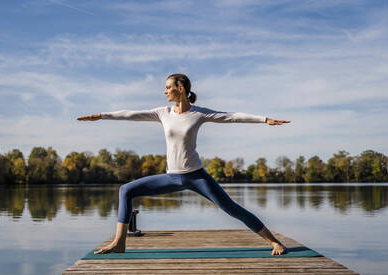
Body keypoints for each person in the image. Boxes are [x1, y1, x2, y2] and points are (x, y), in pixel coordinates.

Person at [77, 73, 291, 255]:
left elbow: (232, 116)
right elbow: (130, 114)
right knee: (126, 190)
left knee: (232, 209)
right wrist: (101, 116)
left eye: (168, 87)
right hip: (172, 176)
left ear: (180, 88)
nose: (165, 91)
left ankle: (274, 241)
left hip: (197, 177)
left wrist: (264, 119)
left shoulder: (199, 113)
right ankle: (119, 243)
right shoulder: (163, 113)